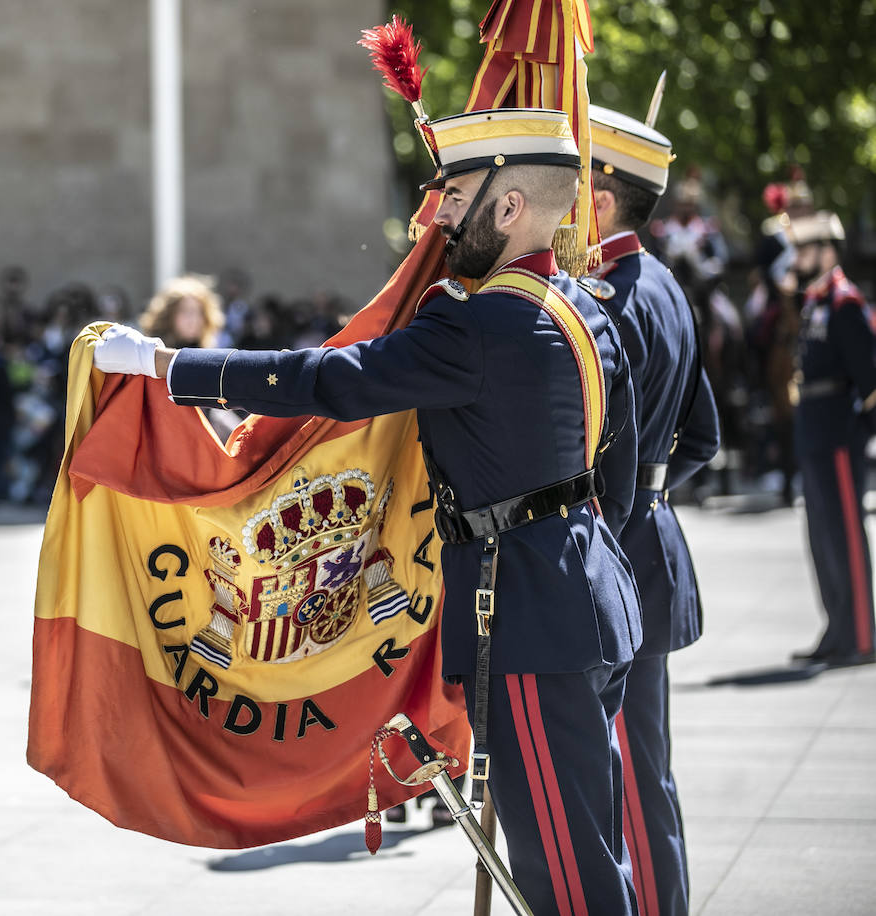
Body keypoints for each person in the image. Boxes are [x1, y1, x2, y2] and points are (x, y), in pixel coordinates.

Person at [94, 108, 643, 913]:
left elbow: (330, 379)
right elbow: (616, 464)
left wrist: (168, 365)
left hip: (529, 617)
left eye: (454, 197)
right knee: (592, 844)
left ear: (509, 207)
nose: (438, 216)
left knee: (564, 871)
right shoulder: (583, 305)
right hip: (591, 594)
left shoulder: (478, 320)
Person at [586, 104, 722, 916]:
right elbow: (702, 433)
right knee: (647, 766)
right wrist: (656, 496)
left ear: (600, 201)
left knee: (629, 772)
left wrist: (624, 505)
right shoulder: (665, 284)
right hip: (654, 537)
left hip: (619, 549)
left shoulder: (608, 298)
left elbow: (604, 447)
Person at [788, 211, 876, 668]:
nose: (798, 259)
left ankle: (861, 636)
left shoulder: (845, 303)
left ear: (827, 251)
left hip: (840, 435)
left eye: (806, 249)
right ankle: (837, 629)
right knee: (822, 538)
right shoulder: (815, 301)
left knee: (844, 535)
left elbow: (870, 378)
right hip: (815, 433)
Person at [137, 275, 240, 441]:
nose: (194, 320)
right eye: (186, 312)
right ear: (169, 315)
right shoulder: (151, 353)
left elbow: (212, 411)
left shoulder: (209, 356)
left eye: (198, 312)